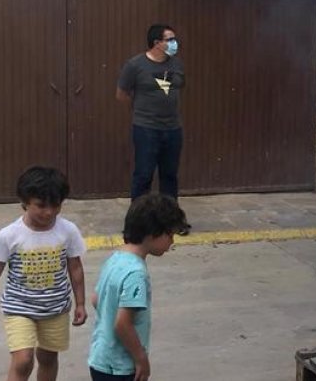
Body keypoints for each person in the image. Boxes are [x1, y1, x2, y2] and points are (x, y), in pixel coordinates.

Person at [0, 167, 87, 381]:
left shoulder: (67, 231)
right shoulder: (10, 235)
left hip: (55, 309)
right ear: (24, 202)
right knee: (23, 361)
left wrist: (80, 303)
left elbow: (75, 267)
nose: (49, 212)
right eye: (41, 206)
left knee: (48, 358)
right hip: (19, 308)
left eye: (56, 205)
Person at [88, 193, 190, 380]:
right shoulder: (136, 274)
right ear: (153, 233)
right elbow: (122, 324)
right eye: (170, 235)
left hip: (100, 358)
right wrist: (140, 357)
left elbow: (96, 299)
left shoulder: (115, 257)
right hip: (121, 366)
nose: (172, 242)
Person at [117, 24, 185, 201]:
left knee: (169, 176)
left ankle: (170, 217)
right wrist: (140, 110)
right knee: (144, 175)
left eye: (174, 39)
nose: (174, 43)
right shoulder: (135, 65)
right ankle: (138, 219)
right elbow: (121, 94)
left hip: (173, 128)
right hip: (146, 128)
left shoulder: (176, 64)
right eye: (170, 40)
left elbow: (178, 88)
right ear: (156, 43)